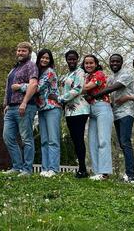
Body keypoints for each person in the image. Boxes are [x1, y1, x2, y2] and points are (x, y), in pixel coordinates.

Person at [13, 49, 62, 177]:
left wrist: (20, 86)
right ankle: (45, 169)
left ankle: (53, 169)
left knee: (53, 140)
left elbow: (37, 87)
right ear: (39, 59)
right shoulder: (39, 73)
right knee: (44, 140)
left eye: (47, 58)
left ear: (50, 60)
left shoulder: (50, 72)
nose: (44, 60)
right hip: (42, 109)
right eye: (42, 58)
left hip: (52, 108)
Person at [89, 54, 134, 182]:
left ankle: (131, 175)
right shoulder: (110, 77)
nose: (114, 63)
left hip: (127, 112)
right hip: (115, 112)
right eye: (112, 61)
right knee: (122, 143)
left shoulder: (126, 74)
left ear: (122, 62)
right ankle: (127, 174)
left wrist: (94, 96)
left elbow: (112, 88)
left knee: (125, 142)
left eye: (117, 61)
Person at [3, 42, 39, 176]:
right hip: (11, 108)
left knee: (26, 138)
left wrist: (24, 102)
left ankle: (27, 169)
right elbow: (8, 88)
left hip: (24, 107)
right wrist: (6, 104)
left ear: (29, 53)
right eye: (18, 50)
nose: (20, 53)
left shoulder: (31, 66)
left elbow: (34, 84)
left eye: (23, 51)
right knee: (8, 137)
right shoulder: (15, 68)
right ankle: (17, 167)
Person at [52, 50, 90, 178]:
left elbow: (78, 89)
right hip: (69, 111)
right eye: (69, 59)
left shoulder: (80, 72)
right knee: (75, 140)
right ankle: (81, 168)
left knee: (79, 139)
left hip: (80, 109)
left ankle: (83, 169)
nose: (72, 61)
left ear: (77, 59)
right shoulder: (67, 74)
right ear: (66, 60)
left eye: (74, 59)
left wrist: (59, 99)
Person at [81, 55, 113, 181]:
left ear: (96, 64)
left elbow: (87, 88)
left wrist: (73, 88)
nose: (88, 65)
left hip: (102, 107)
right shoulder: (86, 76)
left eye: (91, 63)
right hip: (91, 109)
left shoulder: (99, 74)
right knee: (92, 141)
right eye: (86, 63)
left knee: (103, 140)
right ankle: (96, 171)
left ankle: (104, 172)